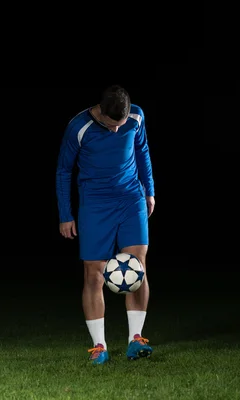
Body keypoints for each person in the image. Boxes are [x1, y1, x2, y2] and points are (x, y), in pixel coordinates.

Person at [55, 85, 156, 365]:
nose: (115, 130)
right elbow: (64, 170)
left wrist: (149, 191)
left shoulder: (136, 117)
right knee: (94, 275)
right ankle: (99, 346)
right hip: (95, 206)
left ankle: (136, 340)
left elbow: (142, 151)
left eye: (119, 125)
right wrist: (66, 214)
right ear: (101, 112)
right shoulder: (79, 126)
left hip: (130, 199)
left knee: (137, 267)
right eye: (111, 125)